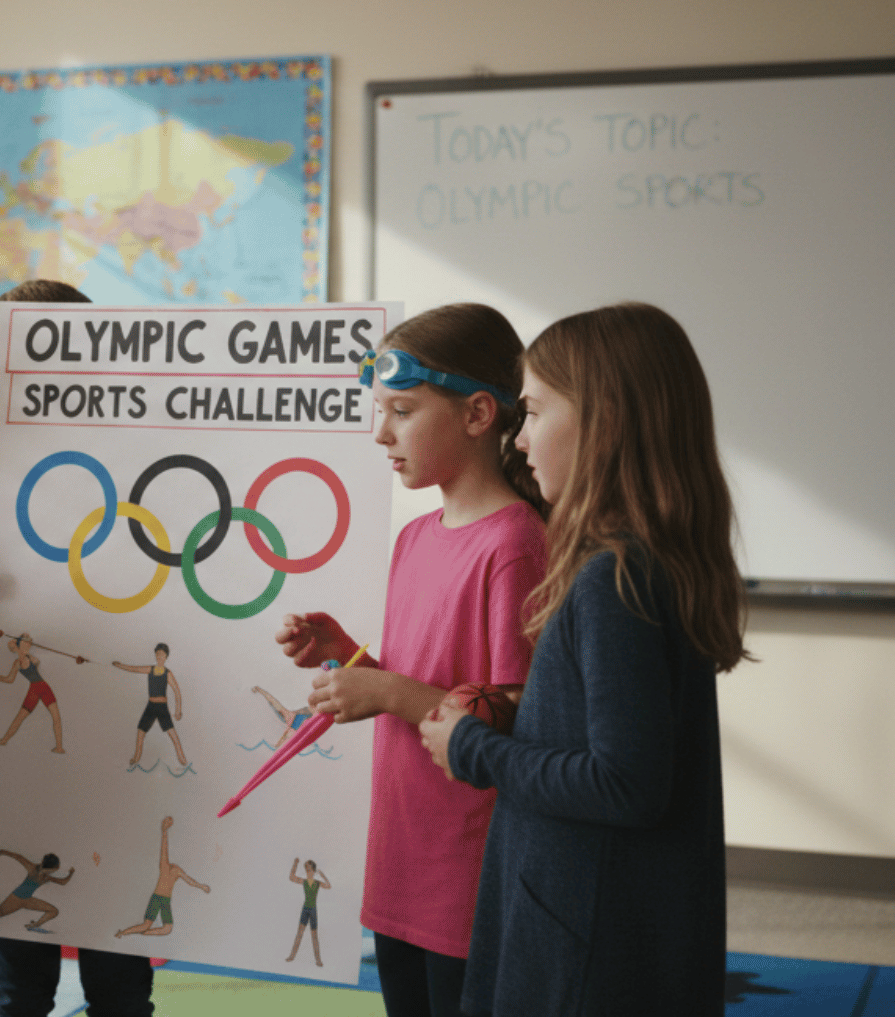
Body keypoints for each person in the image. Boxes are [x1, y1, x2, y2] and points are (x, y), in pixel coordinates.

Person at [417, 303, 744, 1017]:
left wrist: (472, 746)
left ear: (603, 420)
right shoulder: (647, 564)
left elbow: (625, 783)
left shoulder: (613, 579)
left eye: (532, 412)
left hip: (584, 946)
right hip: (613, 928)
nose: (520, 439)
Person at [276, 303, 548, 1017]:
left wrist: (387, 688)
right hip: (402, 851)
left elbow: (512, 713)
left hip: (465, 866)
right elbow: (428, 680)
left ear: (479, 413)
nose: (380, 432)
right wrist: (350, 655)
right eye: (378, 410)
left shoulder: (515, 543)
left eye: (401, 409)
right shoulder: (416, 536)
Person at [0, 277, 156, 1017]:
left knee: (120, 981)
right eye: (30, 372)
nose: (52, 389)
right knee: (17, 988)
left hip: (112, 764)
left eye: (71, 372)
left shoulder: (134, 497)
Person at [113, 816, 210, 938]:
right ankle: (123, 932)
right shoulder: (165, 866)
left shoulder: (178, 870)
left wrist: (201, 886)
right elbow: (164, 850)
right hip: (157, 898)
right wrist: (164, 831)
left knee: (167, 929)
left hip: (166, 901)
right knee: (146, 925)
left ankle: (143, 933)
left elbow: (189, 881)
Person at [0, 630, 69, 752]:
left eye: (29, 642)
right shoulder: (18, 663)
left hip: (43, 688)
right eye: (26, 641)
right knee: (20, 717)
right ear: (20, 645)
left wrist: (21, 642)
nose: (29, 643)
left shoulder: (31, 659)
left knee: (56, 717)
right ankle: (4, 740)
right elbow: (10, 679)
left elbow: (35, 660)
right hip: (34, 690)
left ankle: (59, 747)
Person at [0, 850, 74, 932]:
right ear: (51, 868)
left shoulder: (46, 876)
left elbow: (63, 882)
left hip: (27, 899)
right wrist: (2, 852)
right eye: (55, 869)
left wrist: (70, 874)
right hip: (16, 898)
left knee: (54, 911)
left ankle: (35, 925)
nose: (55, 870)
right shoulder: (33, 869)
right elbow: (18, 857)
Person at [113, 644, 186, 766]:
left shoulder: (167, 673)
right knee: (140, 732)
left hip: (162, 708)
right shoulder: (150, 669)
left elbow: (177, 692)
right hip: (150, 707)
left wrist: (178, 711)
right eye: (157, 654)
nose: (159, 656)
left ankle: (182, 759)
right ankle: (136, 758)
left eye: (161, 654)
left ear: (166, 656)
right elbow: (134, 669)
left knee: (173, 734)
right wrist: (119, 665)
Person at [286, 859, 327, 966]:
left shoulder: (317, 883)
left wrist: (323, 876)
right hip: (305, 909)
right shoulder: (304, 882)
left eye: (309, 869)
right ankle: (292, 956)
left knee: (314, 936)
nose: (307, 871)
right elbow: (291, 877)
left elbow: (328, 886)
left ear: (313, 871)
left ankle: (318, 960)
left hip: (313, 910)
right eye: (306, 869)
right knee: (299, 934)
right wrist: (295, 864)